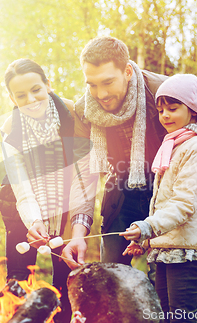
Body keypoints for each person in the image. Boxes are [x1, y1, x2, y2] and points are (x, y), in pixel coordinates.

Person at [120, 74, 197, 323]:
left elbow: (184, 204)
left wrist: (147, 227)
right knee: (166, 317)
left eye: (173, 108)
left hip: (186, 249)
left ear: (193, 110)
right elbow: (164, 203)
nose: (165, 115)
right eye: (161, 109)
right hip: (167, 247)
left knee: (180, 318)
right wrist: (146, 240)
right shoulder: (174, 145)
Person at [61, 36, 168, 270]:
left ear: (127, 71)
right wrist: (78, 234)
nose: (100, 94)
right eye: (92, 84)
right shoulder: (83, 111)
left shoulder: (163, 92)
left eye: (107, 82)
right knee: (112, 275)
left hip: (166, 188)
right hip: (120, 188)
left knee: (163, 281)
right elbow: (83, 178)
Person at [0, 58, 74, 323]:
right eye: (21, 95)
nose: (31, 99)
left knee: (64, 280)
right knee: (19, 278)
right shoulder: (10, 135)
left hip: (64, 204)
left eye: (36, 89)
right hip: (18, 206)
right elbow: (23, 190)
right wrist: (34, 221)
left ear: (48, 85)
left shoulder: (72, 119)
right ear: (12, 99)